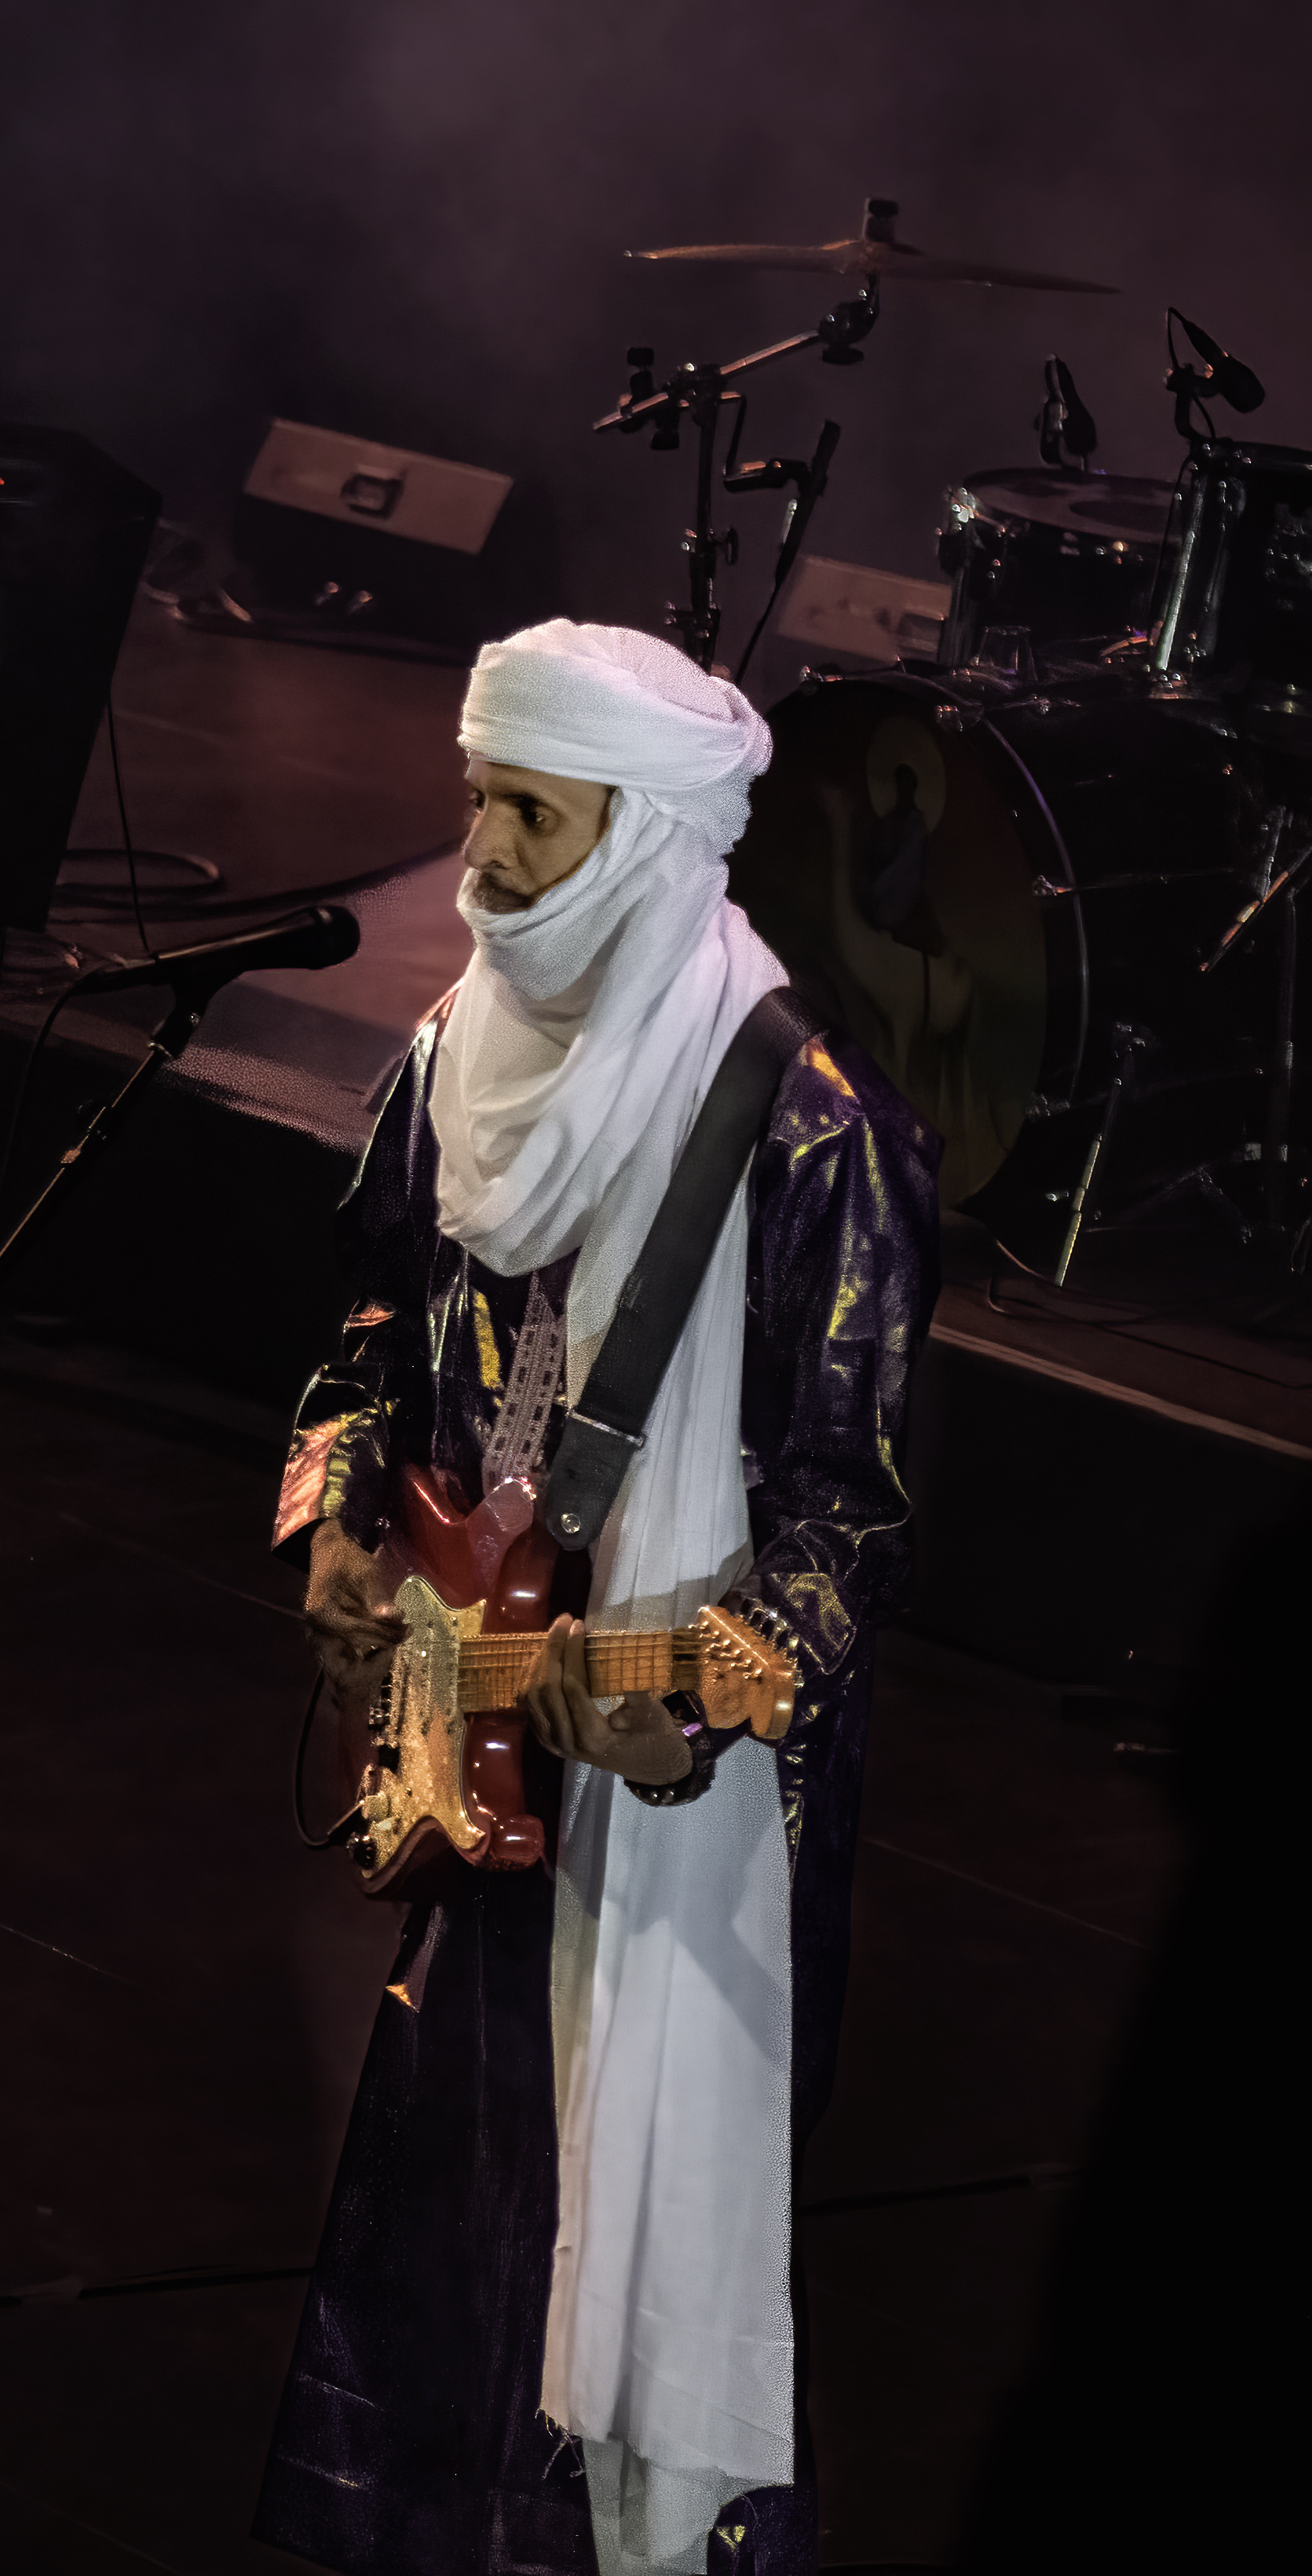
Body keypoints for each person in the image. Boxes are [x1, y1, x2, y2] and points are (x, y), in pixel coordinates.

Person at [261, 621, 934, 2576]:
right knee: (459, 2195)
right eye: (478, 798)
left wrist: (699, 1686)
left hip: (674, 1811)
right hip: (467, 1735)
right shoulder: (444, 1057)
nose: (475, 852)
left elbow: (850, 1517)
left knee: (623, 2214)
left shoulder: (813, 1135)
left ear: (642, 840)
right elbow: (368, 1331)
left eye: (526, 816)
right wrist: (335, 1522)